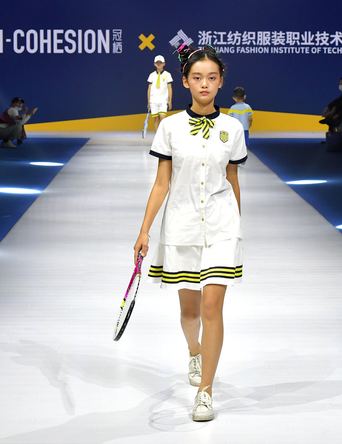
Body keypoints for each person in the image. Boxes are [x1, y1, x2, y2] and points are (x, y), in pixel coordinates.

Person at [133, 44, 247, 422]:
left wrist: (237, 226)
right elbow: (161, 183)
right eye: (197, 77)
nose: (204, 84)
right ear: (185, 81)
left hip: (221, 225)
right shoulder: (169, 127)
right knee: (190, 310)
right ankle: (194, 352)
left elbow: (232, 180)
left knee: (212, 307)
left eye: (211, 77)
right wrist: (144, 231)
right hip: (181, 224)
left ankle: (205, 392)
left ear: (221, 81)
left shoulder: (232, 128)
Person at [146, 55, 173, 130]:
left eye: (160, 63)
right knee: (156, 119)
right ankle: (157, 136)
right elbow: (149, 89)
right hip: (153, 101)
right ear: (154, 64)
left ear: (164, 64)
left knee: (163, 118)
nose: (159, 64)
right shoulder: (151, 75)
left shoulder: (167, 75)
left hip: (163, 100)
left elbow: (170, 88)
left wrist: (170, 101)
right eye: (157, 63)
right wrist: (149, 101)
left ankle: (163, 135)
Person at [227, 87, 253, 151]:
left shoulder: (232, 108)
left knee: (235, 142)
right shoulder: (247, 107)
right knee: (245, 142)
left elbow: (230, 119)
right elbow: (250, 118)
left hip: (235, 129)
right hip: (245, 128)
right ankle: (244, 151)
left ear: (234, 98)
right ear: (244, 97)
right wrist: (249, 125)